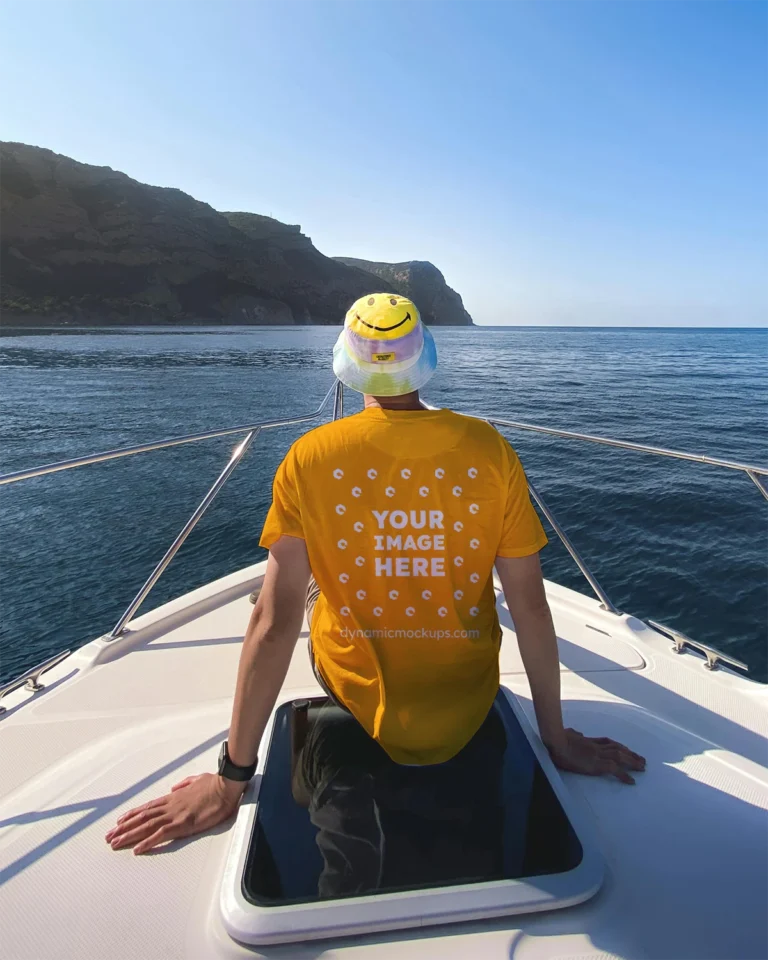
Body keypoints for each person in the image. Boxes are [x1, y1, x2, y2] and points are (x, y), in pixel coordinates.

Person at [106, 293, 644, 857]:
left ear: (347, 361)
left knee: (298, 590)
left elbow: (273, 622)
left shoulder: (309, 457)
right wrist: (555, 741)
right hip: (467, 703)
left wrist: (229, 779)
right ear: (424, 358)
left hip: (355, 695)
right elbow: (530, 609)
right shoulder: (491, 451)